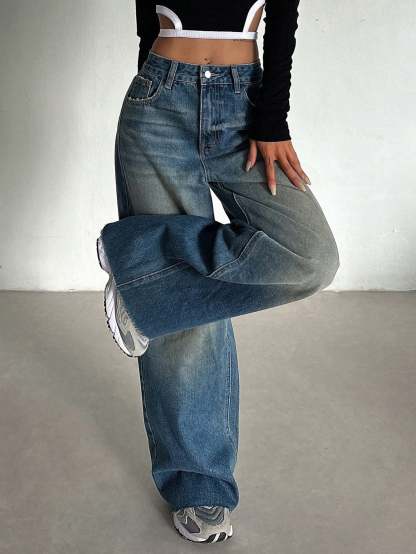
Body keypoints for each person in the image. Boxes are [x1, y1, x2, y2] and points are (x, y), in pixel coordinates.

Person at [96, 0, 340, 543]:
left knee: (309, 256)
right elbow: (146, 17)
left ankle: (140, 270)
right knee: (188, 320)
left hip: (245, 107)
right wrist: (153, 80)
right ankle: (199, 486)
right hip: (159, 101)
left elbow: (283, 17)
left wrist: (271, 118)